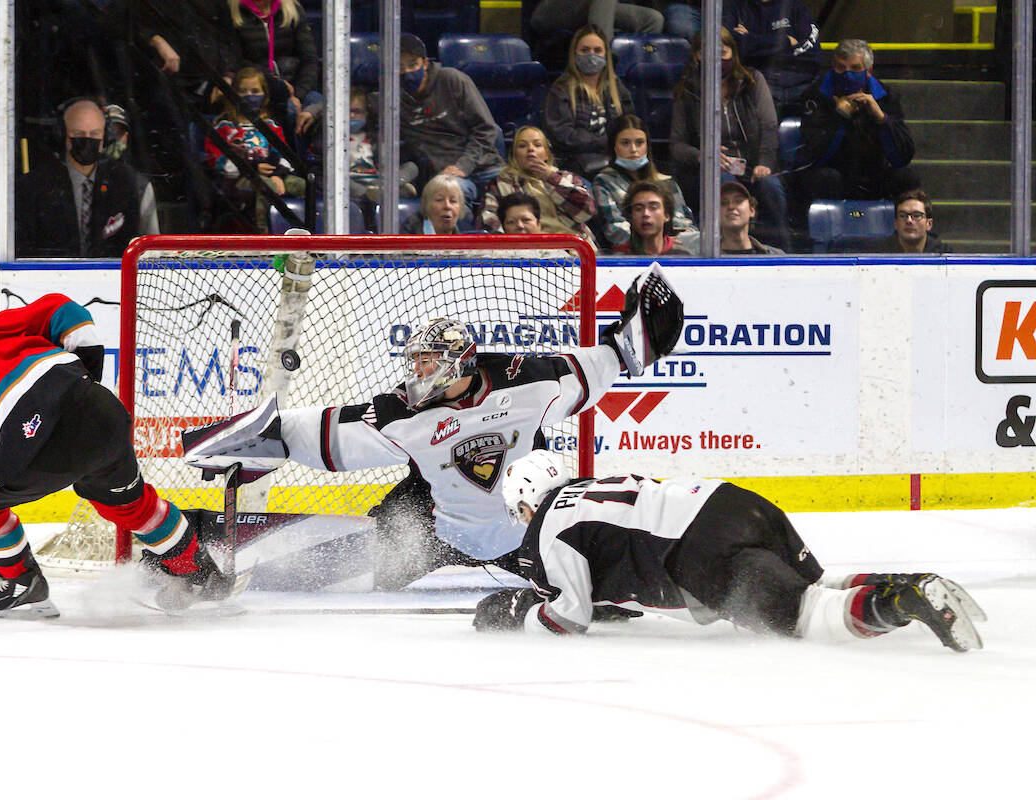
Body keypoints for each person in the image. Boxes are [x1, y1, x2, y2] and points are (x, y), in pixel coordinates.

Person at [180, 271, 685, 590]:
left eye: (428, 361)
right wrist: (256, 438)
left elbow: (611, 359)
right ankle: (191, 541)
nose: (417, 372)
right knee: (373, 562)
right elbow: (320, 434)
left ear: (459, 361)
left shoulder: (534, 380)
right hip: (436, 528)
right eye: (414, 362)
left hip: (524, 528)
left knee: (596, 586)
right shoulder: (402, 414)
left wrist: (636, 340)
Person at [473, 450, 986, 655]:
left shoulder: (547, 526)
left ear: (524, 502)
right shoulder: (594, 486)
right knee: (810, 586)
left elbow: (567, 619)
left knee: (804, 617)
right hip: (731, 501)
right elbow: (612, 573)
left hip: (699, 550)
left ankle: (904, 602)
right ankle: (907, 579)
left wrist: (514, 613)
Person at [0, 295, 235, 617]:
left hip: (38, 448)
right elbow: (66, 311)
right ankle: (197, 574)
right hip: (99, 411)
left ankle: (18, 579)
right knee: (130, 505)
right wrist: (87, 380)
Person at [671, 28, 791, 250]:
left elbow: (769, 126)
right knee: (724, 183)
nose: (717, 59)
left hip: (752, 167)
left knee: (770, 186)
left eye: (723, 52)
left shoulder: (753, 82)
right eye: (708, 53)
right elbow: (677, 145)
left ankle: (783, 254)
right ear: (697, 56)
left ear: (733, 54)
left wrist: (765, 163)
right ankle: (723, 251)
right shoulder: (687, 91)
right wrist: (702, 156)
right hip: (709, 172)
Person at [16, 97, 147, 258]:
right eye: (78, 133)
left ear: (105, 138)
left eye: (95, 133)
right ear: (62, 135)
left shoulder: (124, 182)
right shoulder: (34, 186)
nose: (87, 139)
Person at [797, 39, 919, 203]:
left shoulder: (885, 96)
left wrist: (882, 119)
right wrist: (839, 116)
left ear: (868, 70)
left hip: (873, 174)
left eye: (855, 68)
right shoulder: (815, 96)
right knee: (825, 178)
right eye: (841, 68)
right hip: (832, 172)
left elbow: (904, 156)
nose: (847, 74)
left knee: (907, 177)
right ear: (834, 68)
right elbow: (811, 155)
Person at [394, 33, 505, 205]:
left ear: (424, 63)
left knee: (522, 190)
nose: (407, 72)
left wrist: (463, 166)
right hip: (445, 178)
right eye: (400, 66)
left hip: (484, 166)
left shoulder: (452, 79)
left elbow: (486, 128)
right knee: (448, 197)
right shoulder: (392, 101)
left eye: (412, 64)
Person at [204, 67, 305, 230]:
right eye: (243, 91)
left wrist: (277, 174)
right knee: (266, 186)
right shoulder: (224, 127)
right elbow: (216, 160)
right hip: (237, 181)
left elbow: (284, 155)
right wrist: (252, 169)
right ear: (233, 94)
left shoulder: (270, 127)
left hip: (273, 175)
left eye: (255, 91)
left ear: (264, 95)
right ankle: (262, 234)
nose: (249, 96)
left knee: (303, 186)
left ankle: (303, 234)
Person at [541, 25, 636, 178]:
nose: (591, 55)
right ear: (574, 54)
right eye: (584, 50)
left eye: (598, 50)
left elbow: (630, 125)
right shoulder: (561, 88)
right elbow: (563, 136)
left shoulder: (616, 87)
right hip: (574, 163)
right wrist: (605, 142)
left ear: (606, 55)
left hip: (616, 159)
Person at [593, 113, 696, 253]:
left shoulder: (667, 182)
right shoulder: (604, 181)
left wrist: (670, 240)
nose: (633, 149)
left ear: (647, 146)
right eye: (625, 143)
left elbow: (686, 225)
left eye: (639, 143)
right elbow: (615, 230)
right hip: (630, 254)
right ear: (614, 147)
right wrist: (655, 240)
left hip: (674, 250)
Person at [478, 126, 597, 245]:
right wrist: (512, 244)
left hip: (571, 246)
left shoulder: (567, 178)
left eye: (537, 145)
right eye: (522, 146)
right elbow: (487, 219)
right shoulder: (501, 183)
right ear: (514, 155)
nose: (530, 149)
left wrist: (550, 178)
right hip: (522, 249)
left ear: (546, 154)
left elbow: (587, 212)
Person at [230, 0, 323, 136]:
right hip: (258, 87)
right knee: (289, 108)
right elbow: (235, 60)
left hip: (295, 85)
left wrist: (297, 94)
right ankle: (289, 154)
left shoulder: (292, 9)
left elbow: (310, 59)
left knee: (319, 105)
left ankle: (306, 155)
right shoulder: (234, 11)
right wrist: (277, 84)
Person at [722, 0, 820, 116]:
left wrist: (752, 39)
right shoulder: (735, 9)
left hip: (802, 86)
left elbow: (812, 54)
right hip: (760, 85)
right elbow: (737, 47)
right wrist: (785, 41)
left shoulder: (797, 7)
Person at [348, 86, 418, 206]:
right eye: (348, 111)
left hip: (377, 181)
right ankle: (395, 191)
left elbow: (385, 166)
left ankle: (387, 189)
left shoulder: (374, 137)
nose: (352, 116)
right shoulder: (333, 139)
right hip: (353, 183)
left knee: (412, 167)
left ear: (366, 114)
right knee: (341, 181)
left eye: (357, 112)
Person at [102, 103, 160, 235]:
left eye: (119, 133)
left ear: (126, 137)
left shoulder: (139, 186)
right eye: (108, 133)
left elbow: (150, 246)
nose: (113, 140)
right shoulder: (79, 181)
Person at [530, 0, 664, 43]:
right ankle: (602, 61)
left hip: (599, 6)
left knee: (653, 19)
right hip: (553, 10)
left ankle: (633, 74)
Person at [624, 180, 695, 255]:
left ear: (667, 215)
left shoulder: (684, 257)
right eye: (638, 209)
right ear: (630, 217)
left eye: (653, 207)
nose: (645, 214)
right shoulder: (619, 259)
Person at [873, 189, 948, 254]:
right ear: (895, 223)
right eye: (902, 216)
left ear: (929, 224)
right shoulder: (879, 254)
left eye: (916, 216)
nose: (909, 221)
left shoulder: (944, 254)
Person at [719, 180, 784, 254]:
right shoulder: (706, 258)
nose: (731, 206)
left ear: (752, 210)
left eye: (738, 201)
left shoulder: (776, 255)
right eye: (723, 203)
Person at [401, 174, 471, 235]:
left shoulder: (464, 237)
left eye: (453, 201)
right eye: (439, 200)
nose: (447, 206)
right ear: (426, 204)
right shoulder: (410, 232)